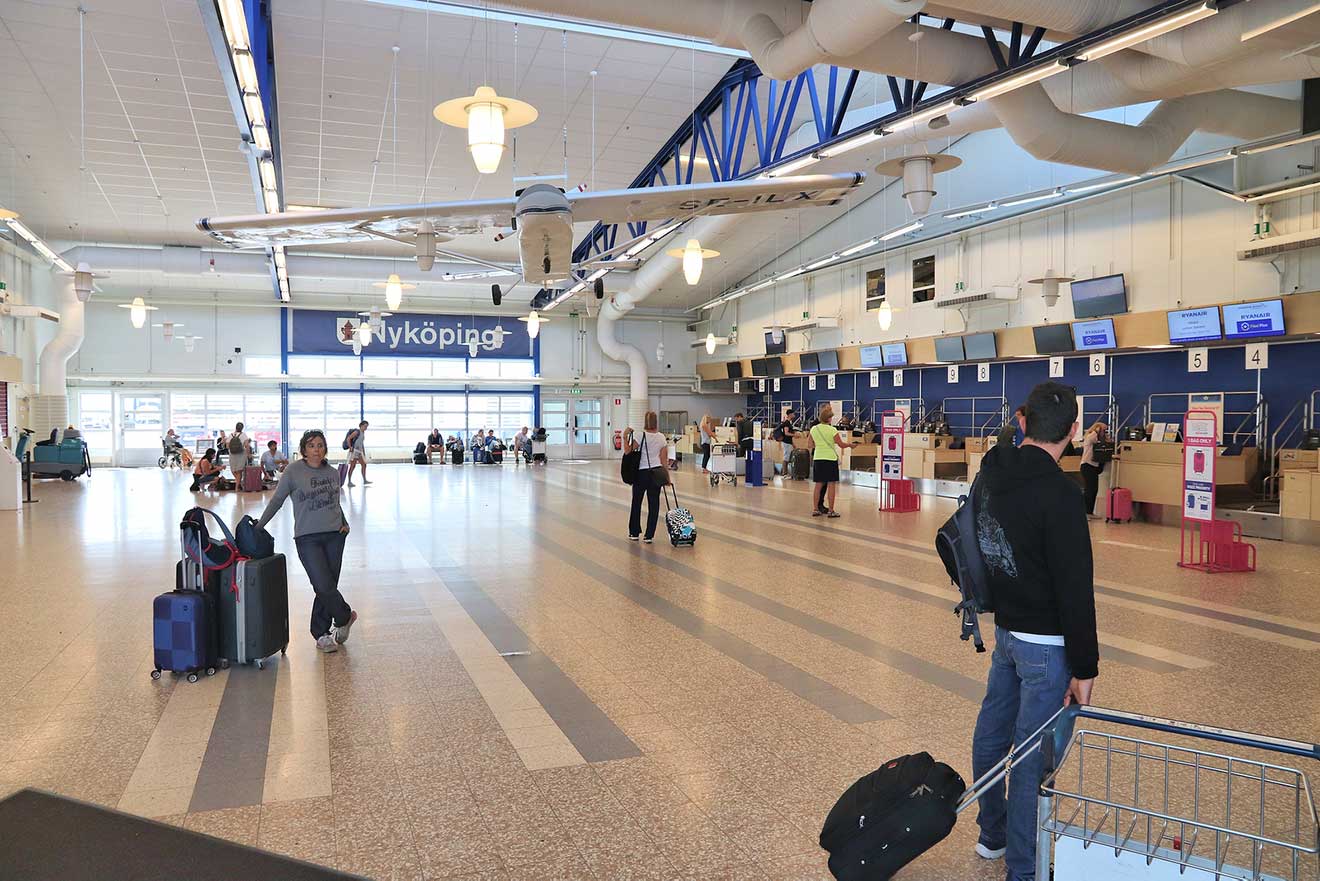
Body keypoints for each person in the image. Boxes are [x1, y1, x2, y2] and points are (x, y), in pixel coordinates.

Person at [970, 381, 1099, 881]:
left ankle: (992, 833)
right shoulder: (1061, 495)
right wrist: (1084, 667)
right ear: (1071, 432)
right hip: (1046, 645)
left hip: (1005, 631)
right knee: (1029, 755)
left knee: (991, 733)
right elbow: (1074, 589)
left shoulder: (992, 470)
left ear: (1022, 421)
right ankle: (1023, 868)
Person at [256, 429, 357, 654]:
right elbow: (277, 501)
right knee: (321, 583)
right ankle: (344, 616)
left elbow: (334, 502)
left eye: (320, 445)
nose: (316, 449)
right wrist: (259, 526)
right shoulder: (293, 471)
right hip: (307, 537)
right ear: (303, 449)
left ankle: (321, 634)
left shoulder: (332, 473)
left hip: (334, 535)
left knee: (327, 587)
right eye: (311, 445)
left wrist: (344, 522)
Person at [626, 412, 669, 544]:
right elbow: (663, 459)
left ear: (645, 421)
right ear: (656, 422)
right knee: (654, 504)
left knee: (636, 502)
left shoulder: (640, 435)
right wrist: (667, 477)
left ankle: (634, 532)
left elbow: (628, 451)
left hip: (641, 473)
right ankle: (649, 535)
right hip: (656, 472)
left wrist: (624, 437)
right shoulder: (661, 437)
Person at [807, 403, 851, 517]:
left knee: (818, 485)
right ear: (829, 418)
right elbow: (841, 445)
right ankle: (831, 510)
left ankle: (815, 509)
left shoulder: (814, 429)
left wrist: (820, 446)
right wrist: (851, 445)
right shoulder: (832, 430)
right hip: (830, 459)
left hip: (818, 458)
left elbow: (809, 444)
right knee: (831, 484)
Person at [1079, 421, 1109, 518]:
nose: (1104, 432)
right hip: (1087, 465)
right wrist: (1097, 430)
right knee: (1089, 489)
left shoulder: (1097, 439)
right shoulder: (1090, 436)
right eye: (1104, 430)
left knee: (1094, 489)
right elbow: (1094, 439)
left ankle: (1090, 512)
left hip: (1093, 466)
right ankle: (1085, 512)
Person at [345, 420, 370, 485]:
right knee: (353, 466)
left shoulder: (363, 433)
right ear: (361, 426)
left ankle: (364, 480)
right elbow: (348, 438)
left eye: (367, 427)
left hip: (359, 452)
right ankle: (349, 481)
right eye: (365, 426)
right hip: (354, 452)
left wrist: (363, 452)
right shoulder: (357, 432)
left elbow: (361, 443)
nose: (366, 428)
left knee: (364, 465)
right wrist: (350, 447)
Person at [774, 409, 797, 476]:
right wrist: (794, 435)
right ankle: (784, 473)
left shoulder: (788, 423)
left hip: (788, 442)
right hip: (786, 442)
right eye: (793, 414)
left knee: (787, 457)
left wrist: (793, 443)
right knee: (786, 457)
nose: (794, 415)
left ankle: (784, 472)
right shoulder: (787, 423)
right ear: (790, 414)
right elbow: (786, 433)